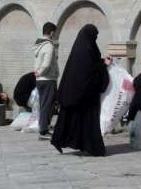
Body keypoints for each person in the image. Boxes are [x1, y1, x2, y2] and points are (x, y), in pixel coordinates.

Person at [51, 24, 110, 156]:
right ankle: (93, 147)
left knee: (69, 118)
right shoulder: (89, 48)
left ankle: (58, 140)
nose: (95, 38)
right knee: (87, 120)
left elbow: (89, 65)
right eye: (94, 36)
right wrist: (103, 65)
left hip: (73, 92)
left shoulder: (80, 48)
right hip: (86, 94)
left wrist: (100, 62)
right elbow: (90, 70)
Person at [34, 22, 60, 140]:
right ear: (52, 32)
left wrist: (38, 73)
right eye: (55, 32)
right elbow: (47, 63)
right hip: (48, 79)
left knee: (44, 104)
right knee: (47, 105)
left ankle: (44, 127)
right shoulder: (49, 45)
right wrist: (41, 72)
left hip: (40, 80)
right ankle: (43, 131)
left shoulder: (38, 44)